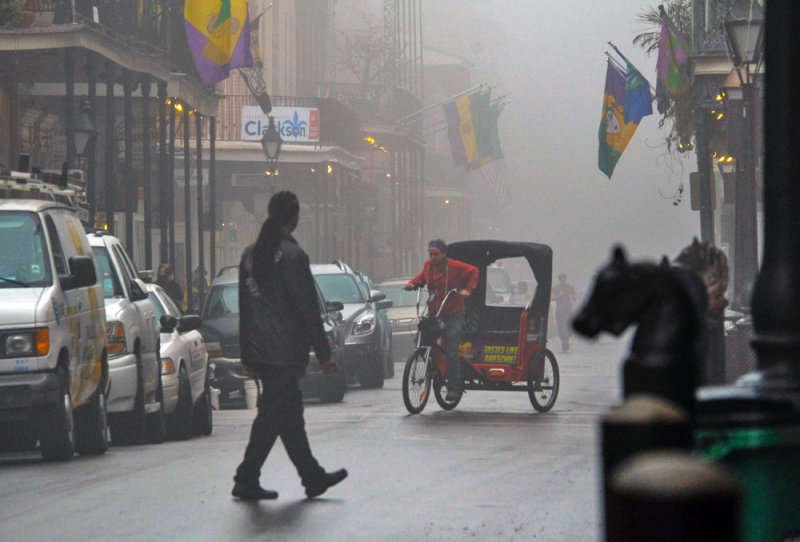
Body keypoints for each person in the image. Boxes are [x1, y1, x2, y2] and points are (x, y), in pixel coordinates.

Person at [232, 190, 348, 501]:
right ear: (293, 217)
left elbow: (246, 309)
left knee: (289, 416)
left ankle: (312, 477)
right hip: (286, 352)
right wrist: (324, 354)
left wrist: (247, 353)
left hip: (261, 349)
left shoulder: (249, 256)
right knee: (272, 416)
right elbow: (307, 309)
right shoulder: (294, 257)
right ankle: (246, 476)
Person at [404, 239, 478, 401]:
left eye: (436, 254)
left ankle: (454, 387)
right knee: (421, 339)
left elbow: (474, 271)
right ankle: (433, 367)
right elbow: (422, 277)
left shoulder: (455, 267)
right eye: (431, 254)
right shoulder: (428, 267)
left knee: (451, 350)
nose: (433, 258)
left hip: (453, 314)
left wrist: (467, 290)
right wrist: (413, 283)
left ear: (444, 254)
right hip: (434, 313)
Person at [552, 273, 576, 352]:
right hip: (560, 311)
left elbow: (574, 298)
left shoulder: (570, 288)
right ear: (559, 280)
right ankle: (564, 341)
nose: (563, 280)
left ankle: (566, 341)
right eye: (561, 279)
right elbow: (552, 298)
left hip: (568, 310)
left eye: (564, 279)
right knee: (561, 327)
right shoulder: (556, 288)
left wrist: (572, 295)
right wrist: (559, 295)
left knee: (568, 326)